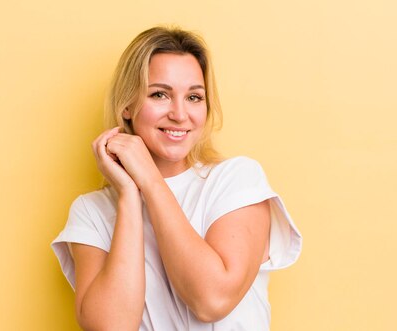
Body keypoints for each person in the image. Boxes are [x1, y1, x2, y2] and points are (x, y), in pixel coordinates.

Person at [51, 26, 302, 330]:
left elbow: (212, 300)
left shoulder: (237, 180)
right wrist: (130, 194)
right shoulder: (91, 212)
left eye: (194, 97)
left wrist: (150, 181)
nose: (180, 114)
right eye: (160, 94)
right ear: (127, 106)